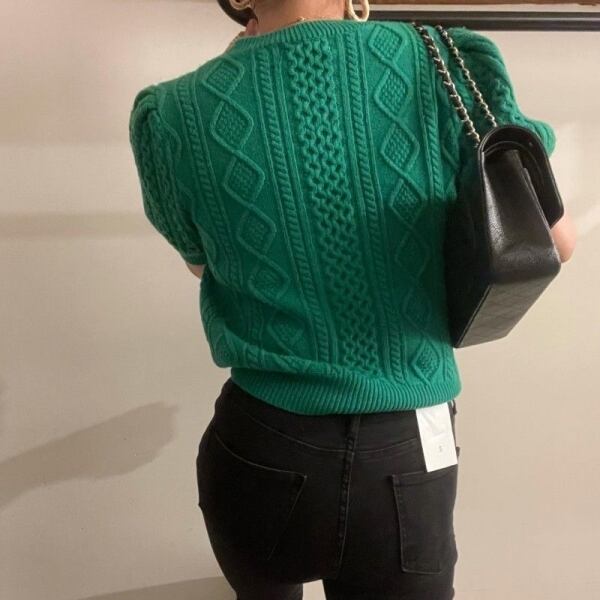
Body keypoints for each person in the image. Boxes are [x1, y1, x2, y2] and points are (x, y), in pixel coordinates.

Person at [128, 0, 577, 598]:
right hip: (406, 447)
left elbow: (200, 261)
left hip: (259, 442)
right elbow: (554, 244)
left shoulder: (171, 112)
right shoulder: (447, 62)